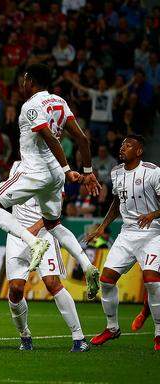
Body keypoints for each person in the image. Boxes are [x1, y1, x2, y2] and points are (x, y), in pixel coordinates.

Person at [0, 64, 101, 299]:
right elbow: (82, 139)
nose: (22, 84)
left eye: (24, 79)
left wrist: (68, 170)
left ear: (30, 81)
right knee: (53, 224)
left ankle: (32, 242)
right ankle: (87, 266)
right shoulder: (59, 102)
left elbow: (47, 135)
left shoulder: (31, 106)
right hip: (55, 176)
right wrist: (87, 171)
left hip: (35, 171)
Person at [4, 161, 89, 352]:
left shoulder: (55, 170)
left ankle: (79, 337)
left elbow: (55, 210)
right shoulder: (16, 166)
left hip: (45, 234)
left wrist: (34, 228)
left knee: (52, 283)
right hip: (17, 237)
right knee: (16, 290)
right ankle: (24, 335)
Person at [85, 135, 160, 350]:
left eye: (128, 146)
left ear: (139, 151)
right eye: (122, 145)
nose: (122, 148)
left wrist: (153, 214)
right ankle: (112, 328)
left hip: (152, 233)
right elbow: (117, 203)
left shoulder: (153, 172)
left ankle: (158, 333)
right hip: (127, 234)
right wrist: (100, 228)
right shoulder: (116, 172)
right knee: (106, 280)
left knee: (152, 281)